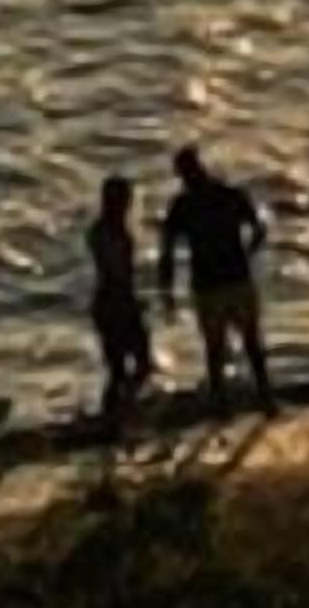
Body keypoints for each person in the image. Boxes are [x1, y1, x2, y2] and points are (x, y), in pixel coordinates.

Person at [158, 141, 277, 417]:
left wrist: (168, 290)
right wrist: (248, 252)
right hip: (233, 277)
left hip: (210, 283)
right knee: (247, 343)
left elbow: (168, 250)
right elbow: (258, 229)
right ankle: (263, 398)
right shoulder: (228, 195)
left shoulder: (183, 205)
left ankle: (224, 403)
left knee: (219, 347)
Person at [85, 171, 153, 440]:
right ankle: (115, 417)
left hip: (115, 301)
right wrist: (130, 301)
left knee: (129, 366)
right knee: (123, 367)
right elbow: (115, 270)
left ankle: (117, 414)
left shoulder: (112, 228)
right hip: (114, 304)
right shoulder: (105, 231)